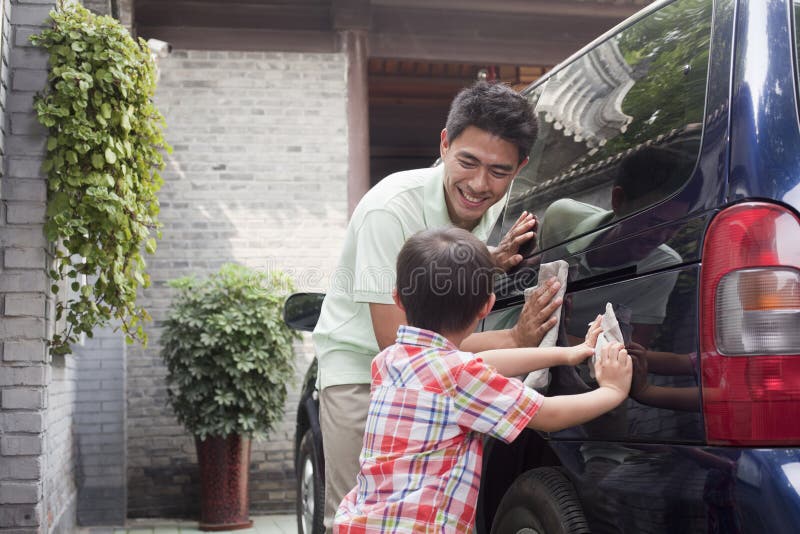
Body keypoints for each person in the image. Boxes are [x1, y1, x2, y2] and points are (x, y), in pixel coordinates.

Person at [312, 81, 564, 528]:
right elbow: (404, 347)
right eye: (468, 162)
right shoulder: (388, 211)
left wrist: (487, 258)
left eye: (499, 171)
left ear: (520, 167)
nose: (479, 184)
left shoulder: (491, 209)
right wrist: (514, 337)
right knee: (362, 521)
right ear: (445, 144)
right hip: (362, 376)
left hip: (434, 379)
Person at [334, 228, 632, 533]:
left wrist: (565, 355)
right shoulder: (460, 376)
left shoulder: (387, 362)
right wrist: (612, 391)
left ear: (398, 298)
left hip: (364, 521)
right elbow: (548, 415)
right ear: (486, 306)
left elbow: (479, 365)